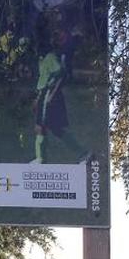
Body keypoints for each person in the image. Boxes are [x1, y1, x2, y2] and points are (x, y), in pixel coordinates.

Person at [30, 23, 89, 164]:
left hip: (49, 95)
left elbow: (60, 74)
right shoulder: (42, 58)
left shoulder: (50, 57)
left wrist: (49, 94)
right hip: (44, 94)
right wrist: (38, 96)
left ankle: (84, 154)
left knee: (45, 127)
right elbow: (43, 78)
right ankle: (41, 158)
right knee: (50, 128)